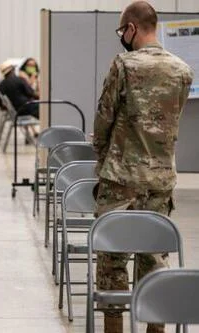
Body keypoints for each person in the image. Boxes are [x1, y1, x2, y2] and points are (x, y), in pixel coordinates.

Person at [93, 2, 193, 333]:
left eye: (123, 31)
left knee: (113, 259)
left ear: (133, 28)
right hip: (161, 180)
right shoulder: (182, 70)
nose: (122, 37)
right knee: (154, 257)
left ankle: (114, 329)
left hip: (121, 178)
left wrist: (102, 157)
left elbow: (104, 119)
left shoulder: (123, 65)